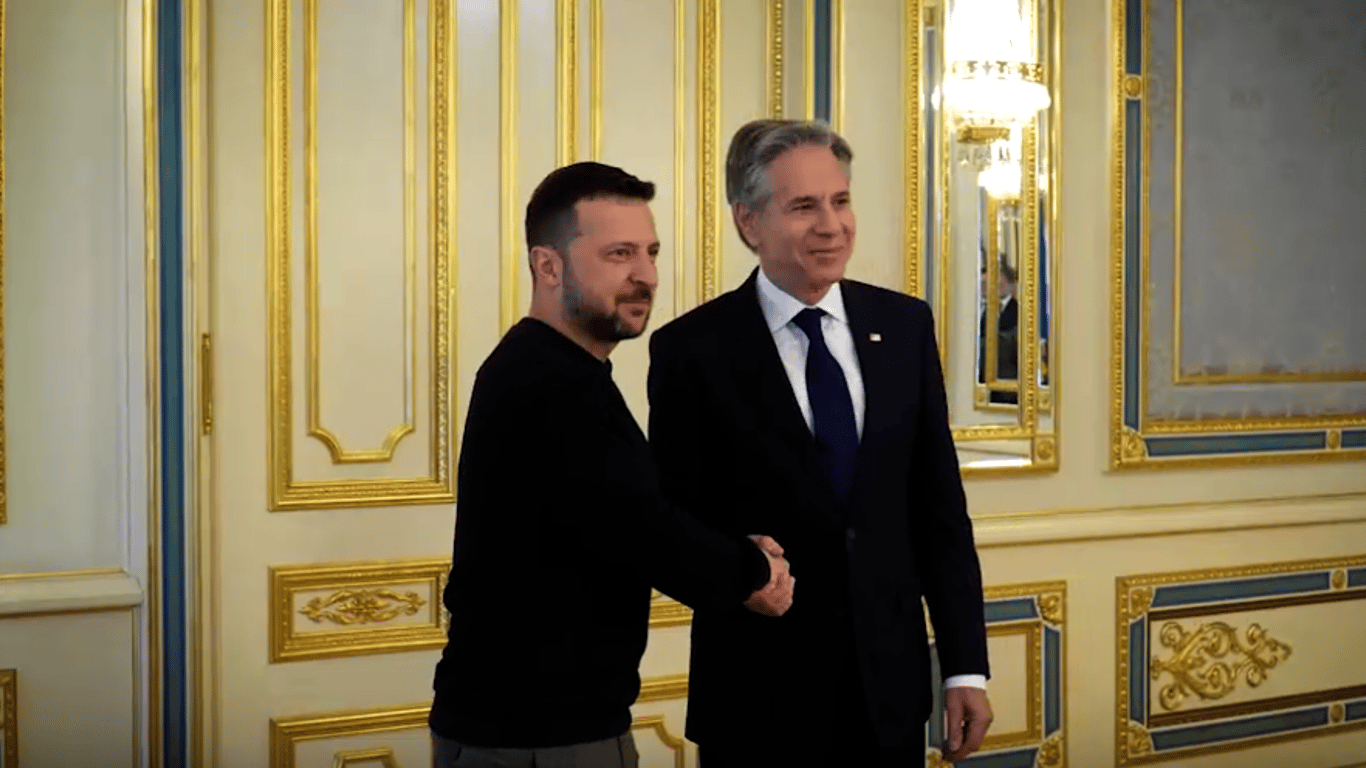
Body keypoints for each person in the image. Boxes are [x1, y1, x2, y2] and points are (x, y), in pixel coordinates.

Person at [647, 119, 993, 768]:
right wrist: (737, 569)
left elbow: (939, 513)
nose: (832, 226)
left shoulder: (904, 326)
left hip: (888, 699)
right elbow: (670, 526)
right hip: (757, 704)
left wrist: (964, 667)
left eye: (841, 201)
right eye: (804, 206)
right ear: (749, 222)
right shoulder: (692, 350)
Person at [429, 162, 796, 768]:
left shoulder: (561, 372)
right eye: (619, 254)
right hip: (536, 736)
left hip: (541, 725)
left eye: (650, 252)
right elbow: (644, 529)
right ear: (548, 266)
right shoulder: (546, 382)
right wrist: (755, 570)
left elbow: (629, 512)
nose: (645, 275)